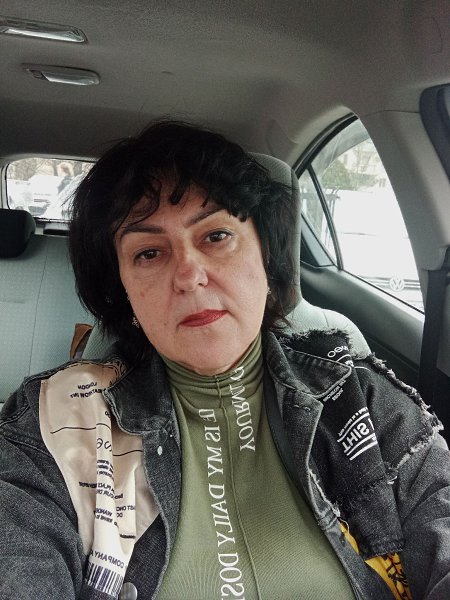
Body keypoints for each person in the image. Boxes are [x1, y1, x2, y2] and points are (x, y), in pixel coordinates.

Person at [0, 121, 449, 600]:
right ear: (123, 289)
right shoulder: (53, 421)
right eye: (149, 253)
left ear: (266, 256)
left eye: (215, 236)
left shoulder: (362, 400)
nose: (189, 275)